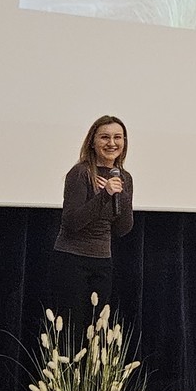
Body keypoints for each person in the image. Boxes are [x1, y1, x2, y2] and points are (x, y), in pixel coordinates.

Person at [52, 115, 134, 330]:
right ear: (92, 142)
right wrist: (104, 195)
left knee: (98, 329)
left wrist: (122, 195)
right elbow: (72, 222)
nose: (112, 143)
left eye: (118, 137)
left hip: (102, 261)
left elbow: (123, 229)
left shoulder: (124, 177)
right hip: (72, 259)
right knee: (72, 328)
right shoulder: (80, 173)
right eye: (105, 137)